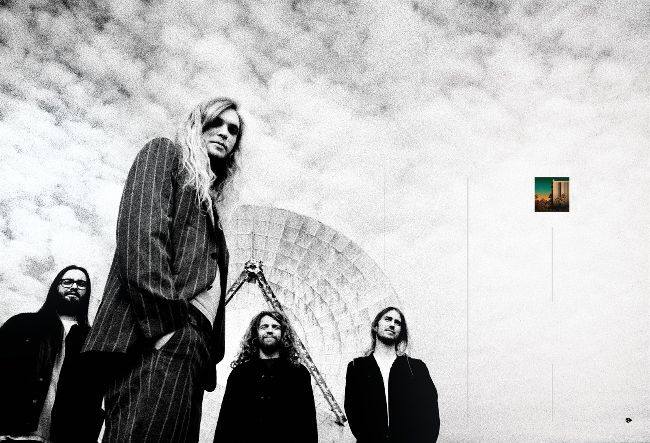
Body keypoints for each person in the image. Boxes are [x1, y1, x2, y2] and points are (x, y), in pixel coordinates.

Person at [82, 97, 242, 442]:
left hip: (193, 352)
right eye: (216, 122)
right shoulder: (164, 154)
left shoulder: (212, 212)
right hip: (161, 332)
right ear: (197, 125)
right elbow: (141, 237)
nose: (225, 133)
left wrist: (205, 354)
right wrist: (165, 327)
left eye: (233, 130)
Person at [0, 265, 102, 442]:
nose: (74, 286)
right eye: (68, 281)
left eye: (81, 284)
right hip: (13, 434)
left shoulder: (94, 339)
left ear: (87, 291)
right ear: (57, 286)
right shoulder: (21, 324)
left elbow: (95, 396)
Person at [214, 311, 318, 443]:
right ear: (256, 333)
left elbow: (308, 423)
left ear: (283, 333)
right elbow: (225, 422)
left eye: (275, 327)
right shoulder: (240, 373)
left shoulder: (299, 374)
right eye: (264, 327)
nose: (269, 330)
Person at [344, 306, 440, 443]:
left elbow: (430, 414)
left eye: (397, 322)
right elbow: (353, 411)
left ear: (401, 331)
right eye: (388, 319)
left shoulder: (417, 368)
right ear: (375, 326)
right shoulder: (356, 367)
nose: (392, 324)